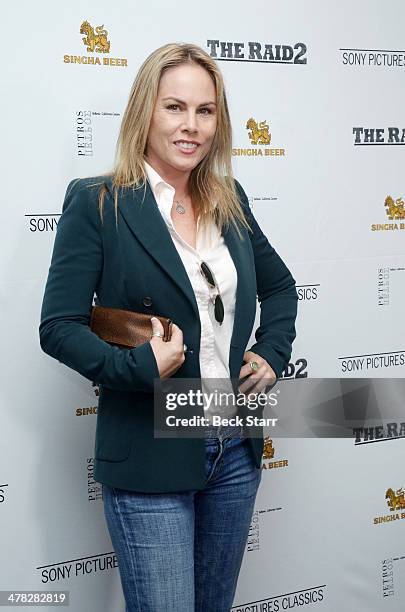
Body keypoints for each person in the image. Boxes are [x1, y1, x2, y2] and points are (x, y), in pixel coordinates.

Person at [39, 43, 297, 612]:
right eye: (174, 107)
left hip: (233, 445)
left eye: (205, 111)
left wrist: (272, 351)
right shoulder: (97, 202)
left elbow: (281, 287)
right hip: (151, 445)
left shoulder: (229, 199)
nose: (191, 126)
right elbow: (57, 325)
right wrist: (134, 367)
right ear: (145, 112)